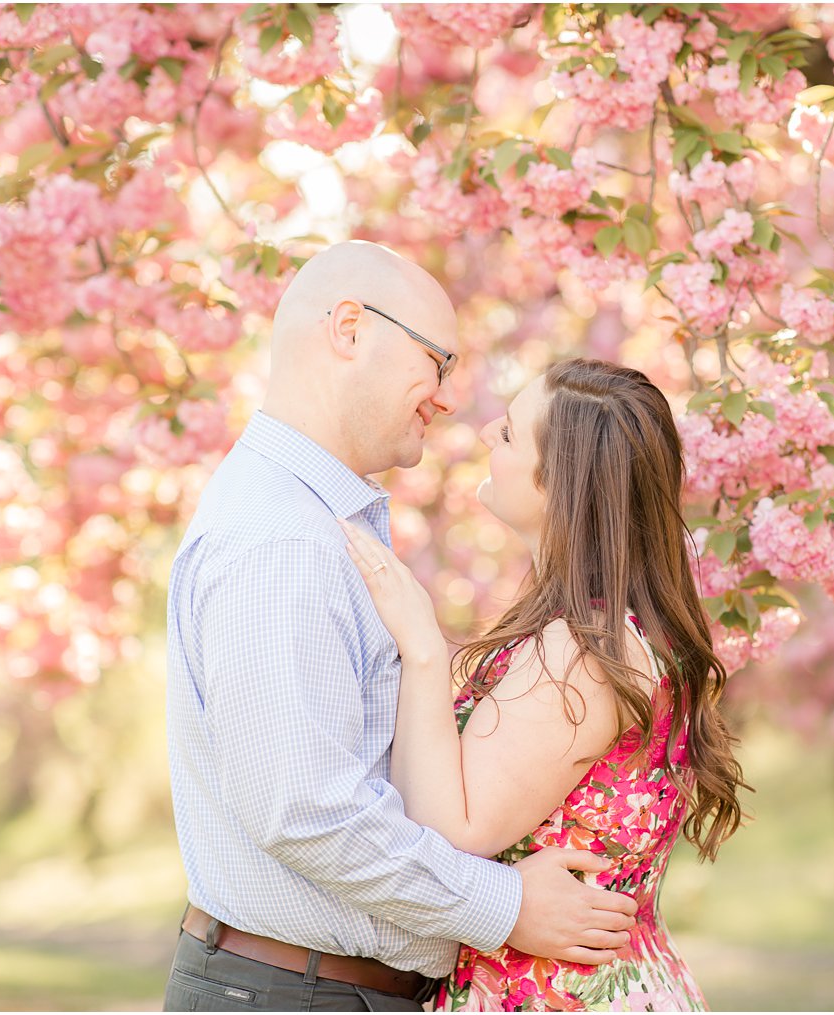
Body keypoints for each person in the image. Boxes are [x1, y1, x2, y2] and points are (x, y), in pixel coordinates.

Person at [163, 242, 638, 1013]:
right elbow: (305, 809)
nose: (448, 398)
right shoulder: (283, 537)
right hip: (294, 993)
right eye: (437, 362)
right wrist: (506, 906)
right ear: (349, 329)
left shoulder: (315, 522)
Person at [338, 357, 748, 1011]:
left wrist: (420, 646)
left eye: (506, 434)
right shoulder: (608, 632)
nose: (485, 440)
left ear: (559, 482)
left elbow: (454, 827)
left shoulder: (584, 652)